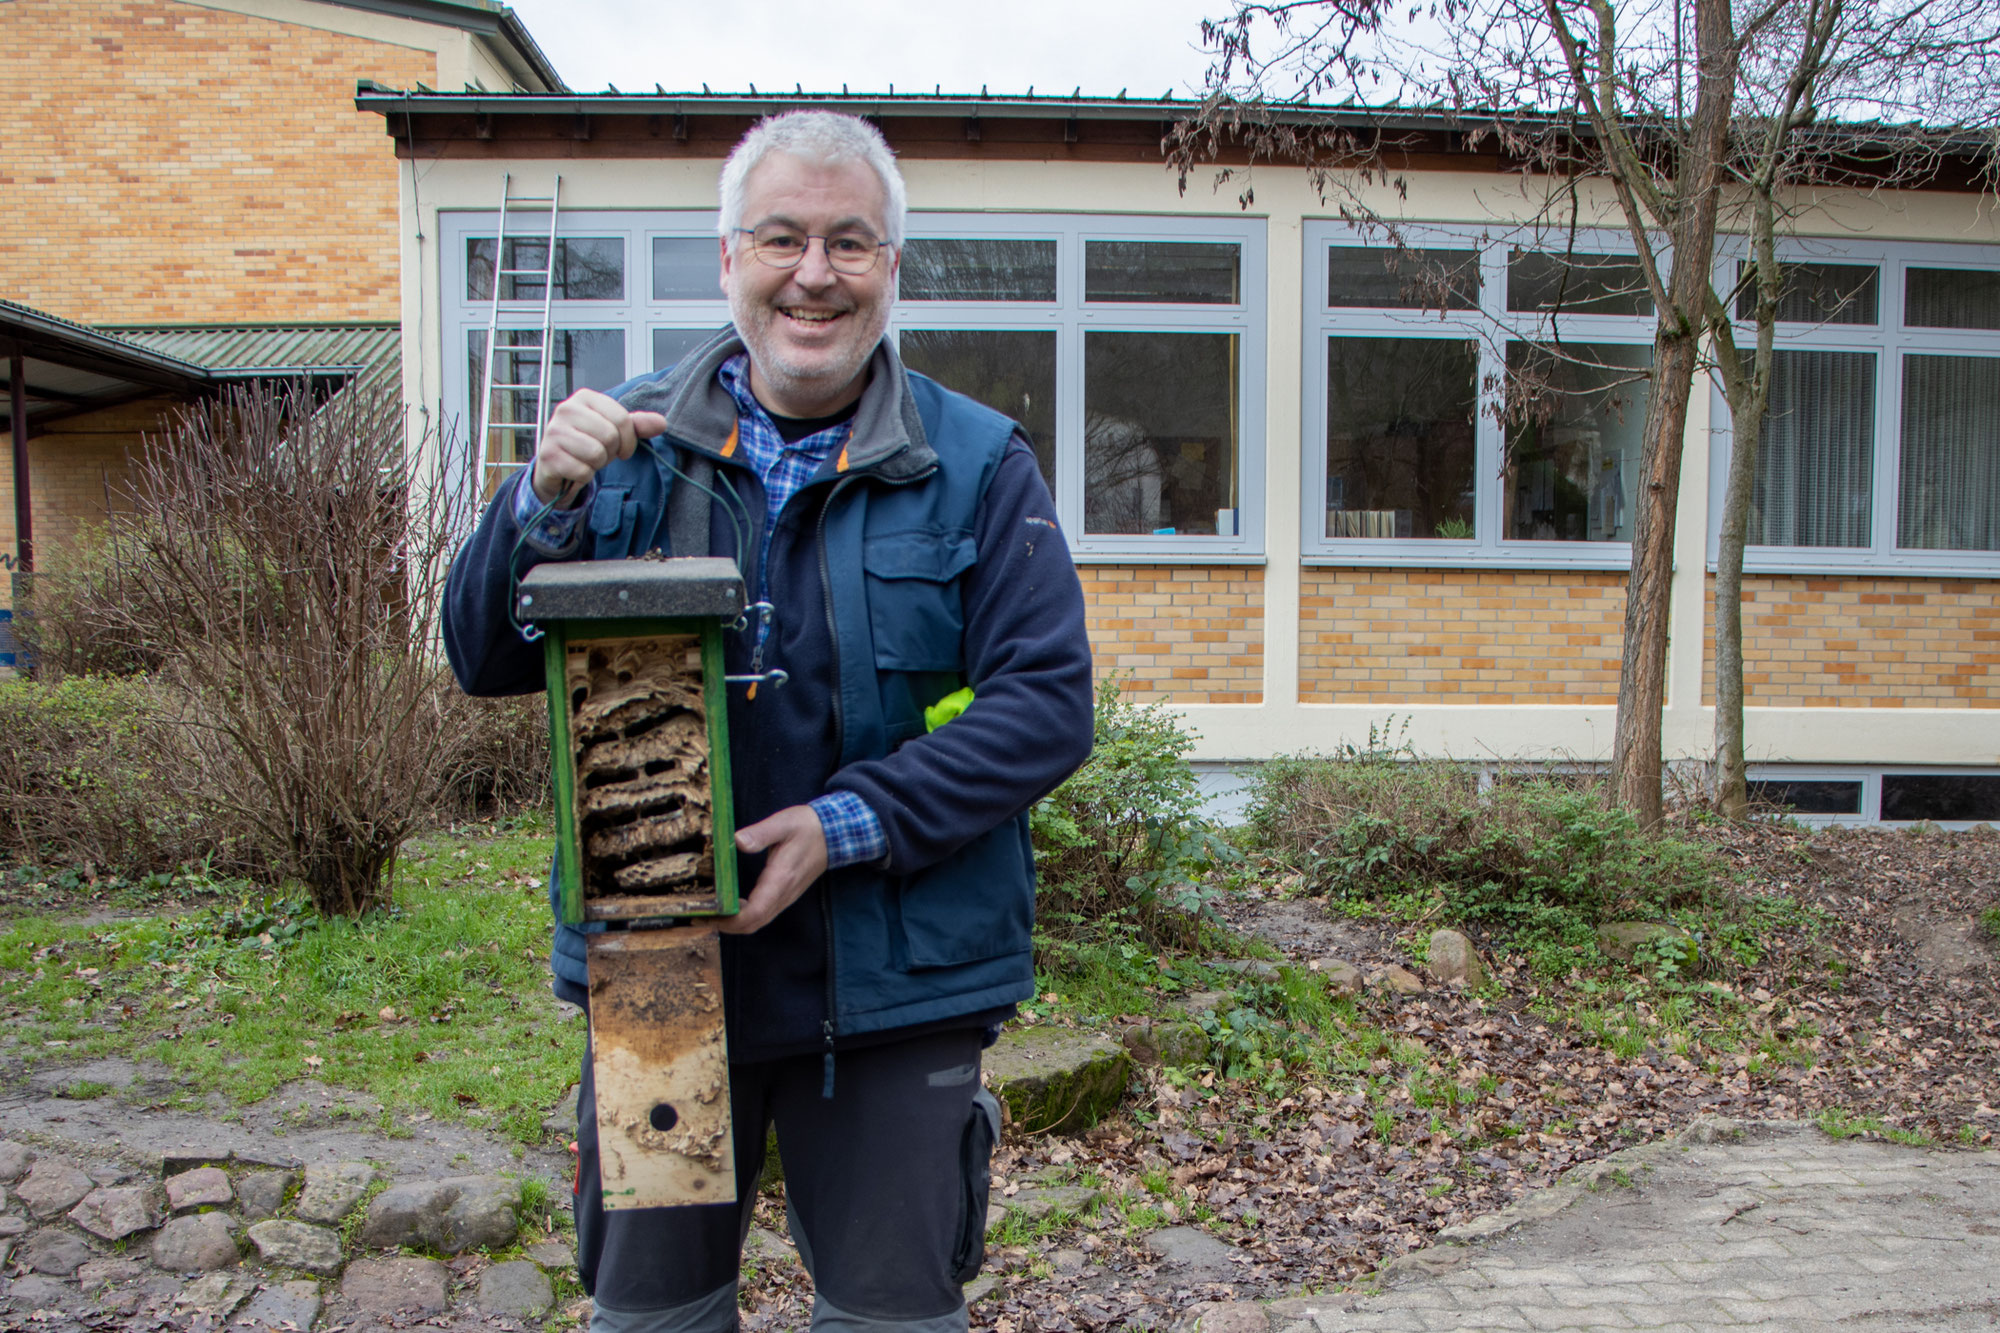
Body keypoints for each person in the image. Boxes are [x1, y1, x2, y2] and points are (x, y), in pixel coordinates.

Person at [442, 110, 1094, 1333]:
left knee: (892, 1316)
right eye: (782, 237)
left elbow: (1045, 704)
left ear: (890, 267)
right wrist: (539, 495)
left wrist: (845, 825)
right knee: (655, 1318)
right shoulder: (621, 451)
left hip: (897, 986)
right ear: (729, 254)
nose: (814, 273)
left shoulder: (975, 461)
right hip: (661, 982)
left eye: (850, 243)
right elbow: (480, 656)